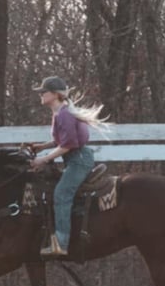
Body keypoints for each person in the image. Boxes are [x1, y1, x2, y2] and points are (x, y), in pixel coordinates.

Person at [29, 76, 108, 257]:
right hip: (76, 157)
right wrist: (42, 146)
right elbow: (61, 140)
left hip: (78, 160)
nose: (41, 94)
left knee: (61, 194)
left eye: (44, 91)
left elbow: (69, 144)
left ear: (55, 94)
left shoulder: (64, 114)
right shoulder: (60, 113)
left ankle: (61, 244)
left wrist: (43, 159)